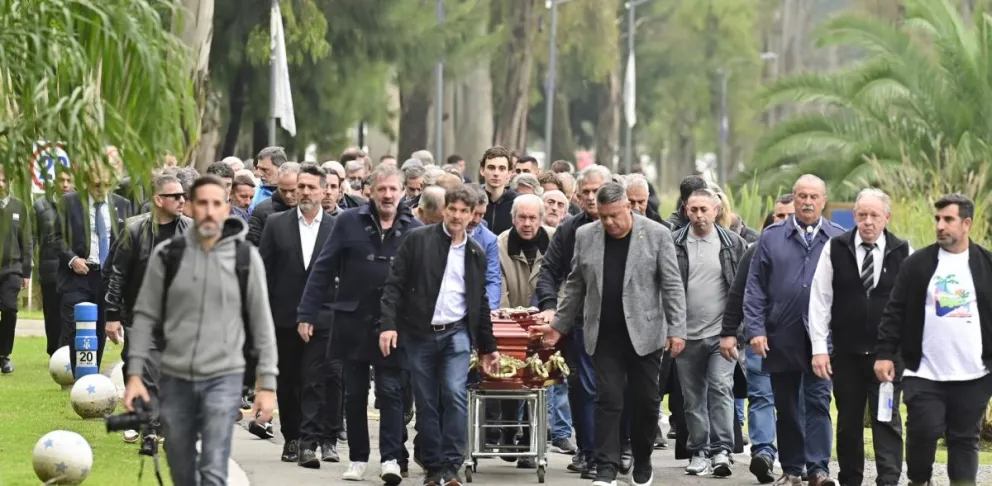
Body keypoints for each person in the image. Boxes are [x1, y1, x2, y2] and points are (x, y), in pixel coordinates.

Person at [122, 175, 278, 486]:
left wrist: (267, 385)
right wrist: (136, 374)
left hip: (224, 377)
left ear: (226, 208)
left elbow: (262, 322)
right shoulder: (168, 256)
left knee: (213, 464)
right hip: (175, 378)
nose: (208, 210)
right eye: (202, 203)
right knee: (180, 465)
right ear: (191, 207)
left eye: (216, 204)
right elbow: (144, 315)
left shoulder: (245, 259)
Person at [532, 182, 686, 486]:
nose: (609, 223)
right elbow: (575, 285)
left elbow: (671, 285)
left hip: (645, 333)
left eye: (614, 215)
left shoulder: (656, 234)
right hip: (603, 333)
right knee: (608, 399)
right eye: (603, 217)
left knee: (645, 401)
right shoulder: (585, 236)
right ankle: (605, 466)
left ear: (628, 206)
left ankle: (642, 458)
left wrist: (678, 328)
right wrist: (557, 327)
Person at [297, 165, 420, 483]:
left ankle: (391, 458)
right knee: (353, 393)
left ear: (402, 190)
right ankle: (358, 458)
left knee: (392, 392)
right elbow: (323, 269)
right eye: (382, 189)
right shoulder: (348, 222)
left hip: (394, 325)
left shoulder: (414, 229)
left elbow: (422, 281)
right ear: (371, 191)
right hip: (352, 320)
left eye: (393, 189)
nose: (388, 195)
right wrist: (307, 313)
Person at [379, 185, 500, 486]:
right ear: (444, 210)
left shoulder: (476, 252)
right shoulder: (418, 240)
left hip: (456, 332)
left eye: (464, 211)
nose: (457, 216)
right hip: (420, 333)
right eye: (453, 209)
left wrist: (488, 347)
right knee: (427, 401)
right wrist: (389, 325)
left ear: (473, 216)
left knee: (455, 394)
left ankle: (451, 465)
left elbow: (480, 301)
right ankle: (434, 467)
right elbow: (394, 285)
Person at [875, 193, 992, 486]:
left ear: (967, 223)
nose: (940, 225)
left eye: (948, 219)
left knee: (964, 439)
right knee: (923, 432)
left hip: (974, 373)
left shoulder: (986, 264)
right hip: (924, 371)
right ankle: (919, 480)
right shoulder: (917, 264)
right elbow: (895, 311)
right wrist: (885, 353)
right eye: (937, 219)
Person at [744, 174, 844, 486]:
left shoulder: (839, 238)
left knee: (818, 402)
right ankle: (791, 468)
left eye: (814, 196)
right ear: (794, 199)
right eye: (802, 196)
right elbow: (755, 288)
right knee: (785, 406)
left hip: (820, 339)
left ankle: (818, 469)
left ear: (824, 201)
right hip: (781, 335)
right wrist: (756, 329)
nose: (808, 202)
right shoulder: (772, 237)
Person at [808, 188, 909, 486]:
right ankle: (850, 479)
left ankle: (888, 480)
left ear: (886, 218)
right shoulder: (835, 248)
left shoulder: (903, 251)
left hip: (886, 357)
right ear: (854, 216)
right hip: (847, 354)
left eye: (874, 215)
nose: (867, 221)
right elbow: (820, 300)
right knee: (849, 424)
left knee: (886, 420)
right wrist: (819, 349)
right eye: (862, 215)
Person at [534, 164, 613, 478]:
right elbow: (548, 273)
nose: (592, 198)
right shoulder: (570, 231)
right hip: (579, 322)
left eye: (598, 191)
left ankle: (614, 449)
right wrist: (551, 307)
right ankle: (590, 451)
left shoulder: (632, 227)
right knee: (582, 388)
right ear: (577, 196)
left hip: (618, 325)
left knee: (613, 391)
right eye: (587, 193)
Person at [104, 173, 191, 443]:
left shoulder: (191, 229)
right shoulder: (133, 230)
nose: (181, 200)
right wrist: (112, 316)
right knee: (146, 369)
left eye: (183, 195)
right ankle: (150, 428)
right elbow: (118, 274)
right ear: (158, 199)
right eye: (175, 196)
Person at [258, 163, 335, 466]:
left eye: (310, 187)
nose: (304, 192)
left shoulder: (335, 227)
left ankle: (309, 442)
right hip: (284, 317)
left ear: (323, 191)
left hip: (322, 318)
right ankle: (291, 437)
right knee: (289, 381)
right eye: (300, 186)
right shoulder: (276, 224)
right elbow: (264, 271)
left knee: (315, 380)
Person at [718, 194, 794, 483]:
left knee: (792, 403)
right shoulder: (757, 250)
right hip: (758, 338)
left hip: (796, 343)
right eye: (779, 216)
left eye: (789, 215)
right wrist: (729, 333)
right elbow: (737, 294)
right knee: (761, 397)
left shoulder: (816, 250)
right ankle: (763, 454)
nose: (783, 221)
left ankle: (794, 462)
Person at [672, 188, 746, 477]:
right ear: (686, 211)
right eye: (694, 210)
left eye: (705, 209)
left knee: (720, 388)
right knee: (692, 397)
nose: (699, 215)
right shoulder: (674, 243)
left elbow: (741, 291)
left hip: (721, 335)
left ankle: (722, 450)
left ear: (716, 210)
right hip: (684, 335)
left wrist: (737, 331)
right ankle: (699, 450)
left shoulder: (733, 244)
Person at [53, 167, 133, 372]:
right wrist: (72, 259)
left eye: (107, 185)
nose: (102, 189)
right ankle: (81, 371)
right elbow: (56, 238)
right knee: (75, 327)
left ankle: (92, 373)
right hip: (77, 276)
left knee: (99, 328)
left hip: (106, 277)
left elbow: (127, 241)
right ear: (86, 183)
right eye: (97, 185)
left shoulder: (122, 205)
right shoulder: (68, 203)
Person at [35, 169, 76, 356]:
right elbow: (33, 239)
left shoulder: (80, 206)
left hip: (73, 269)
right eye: (61, 180)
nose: (65, 184)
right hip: (50, 269)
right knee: (52, 316)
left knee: (70, 314)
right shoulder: (40, 206)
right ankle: (54, 353)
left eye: (69, 180)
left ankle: (68, 352)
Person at [0, 165, 32, 374]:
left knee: (10, 309)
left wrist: (27, 272)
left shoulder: (19, 207)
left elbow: (27, 241)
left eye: (2, 179)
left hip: (12, 269)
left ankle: (4, 355)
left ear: (8, 182)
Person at [479, 146, 517, 235]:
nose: (496, 173)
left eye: (502, 168)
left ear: (509, 173)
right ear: (482, 170)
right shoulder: (471, 199)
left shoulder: (517, 203)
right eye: (491, 168)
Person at [251, 146, 289, 210]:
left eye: (264, 169)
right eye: (258, 168)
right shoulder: (252, 194)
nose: (259, 174)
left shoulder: (297, 193)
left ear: (281, 168)